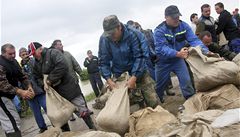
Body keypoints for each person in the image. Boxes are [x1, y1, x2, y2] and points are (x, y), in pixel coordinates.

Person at [28, 42, 96, 131]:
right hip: (55, 92)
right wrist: (43, 84)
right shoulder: (35, 64)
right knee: (60, 116)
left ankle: (93, 129)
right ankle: (67, 134)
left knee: (82, 110)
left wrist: (49, 80)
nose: (34, 56)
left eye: (34, 53)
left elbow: (62, 66)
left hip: (69, 87)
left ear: (40, 49)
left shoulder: (53, 53)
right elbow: (36, 77)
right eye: (32, 55)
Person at [98, 15, 159, 108]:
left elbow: (141, 56)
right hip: (120, 74)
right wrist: (109, 80)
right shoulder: (104, 39)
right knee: (117, 103)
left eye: (113, 33)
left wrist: (134, 77)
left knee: (152, 99)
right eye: (108, 34)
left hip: (139, 70)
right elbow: (103, 61)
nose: (111, 37)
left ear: (119, 27)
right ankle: (140, 106)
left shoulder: (134, 34)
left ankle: (155, 111)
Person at [153, 5, 210, 102]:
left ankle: (191, 101)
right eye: (173, 17)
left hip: (178, 61)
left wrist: (206, 51)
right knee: (159, 85)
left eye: (178, 17)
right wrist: (177, 53)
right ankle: (159, 98)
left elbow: (194, 40)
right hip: (163, 62)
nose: (176, 19)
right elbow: (161, 48)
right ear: (166, 17)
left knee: (186, 80)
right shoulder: (159, 30)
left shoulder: (184, 26)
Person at [0, 43, 35, 137]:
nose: (13, 55)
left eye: (14, 53)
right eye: (10, 54)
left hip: (9, 95)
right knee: (12, 122)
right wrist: (20, 91)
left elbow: (22, 76)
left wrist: (29, 86)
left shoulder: (14, 62)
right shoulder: (0, 63)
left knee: (13, 121)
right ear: (3, 53)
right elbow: (2, 84)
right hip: (1, 96)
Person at [50, 39, 88, 121]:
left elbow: (75, 64)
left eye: (61, 44)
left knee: (80, 96)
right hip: (63, 84)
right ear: (55, 46)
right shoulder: (53, 57)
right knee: (67, 100)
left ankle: (86, 110)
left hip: (73, 80)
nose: (62, 45)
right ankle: (71, 115)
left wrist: (81, 73)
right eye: (60, 44)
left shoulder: (67, 54)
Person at [19, 47, 48, 133]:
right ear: (20, 56)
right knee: (36, 112)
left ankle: (55, 121)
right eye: (22, 55)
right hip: (29, 93)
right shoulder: (19, 66)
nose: (25, 56)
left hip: (39, 90)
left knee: (46, 106)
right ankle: (42, 127)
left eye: (25, 53)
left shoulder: (33, 61)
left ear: (28, 53)